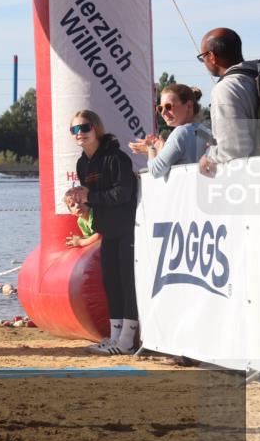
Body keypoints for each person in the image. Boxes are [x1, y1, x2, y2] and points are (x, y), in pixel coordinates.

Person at [66, 110, 139, 355]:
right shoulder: (82, 163)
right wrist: (79, 201)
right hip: (107, 230)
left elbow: (123, 194)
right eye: (74, 130)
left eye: (84, 128)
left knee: (128, 283)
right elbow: (94, 199)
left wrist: (90, 196)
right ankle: (115, 337)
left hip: (128, 228)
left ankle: (127, 341)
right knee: (111, 283)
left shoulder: (116, 157)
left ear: (96, 128)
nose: (80, 134)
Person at [196, 28, 260, 176]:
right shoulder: (257, 77)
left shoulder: (225, 89)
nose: (203, 62)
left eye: (202, 57)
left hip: (254, 179)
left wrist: (209, 156)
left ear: (212, 56)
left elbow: (234, 149)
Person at [127, 84, 207, 178]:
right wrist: (159, 149)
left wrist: (151, 148)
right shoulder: (205, 131)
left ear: (189, 106)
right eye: (160, 108)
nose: (163, 112)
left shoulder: (181, 132)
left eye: (168, 107)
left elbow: (155, 170)